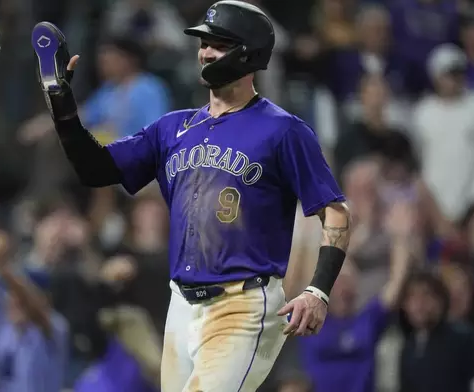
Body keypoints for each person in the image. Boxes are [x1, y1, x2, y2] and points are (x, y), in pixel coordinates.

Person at [31, 1, 351, 391]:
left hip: (243, 303)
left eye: (218, 42)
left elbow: (335, 212)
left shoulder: (283, 130)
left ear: (248, 51)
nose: (205, 51)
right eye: (203, 42)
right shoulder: (172, 127)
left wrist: (317, 289)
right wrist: (63, 110)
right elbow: (94, 169)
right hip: (181, 304)